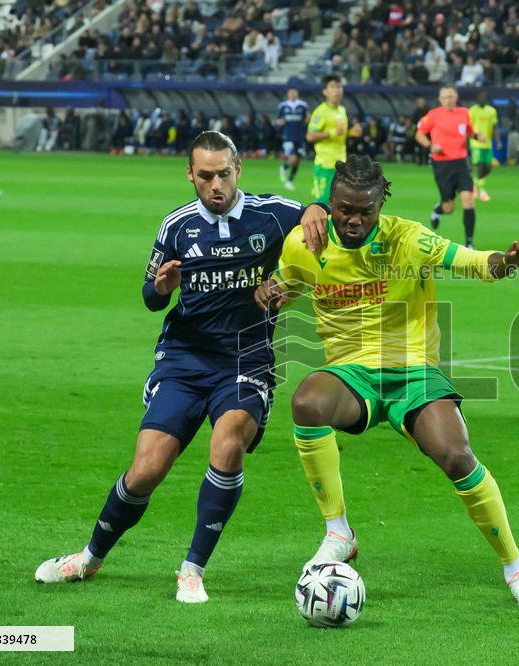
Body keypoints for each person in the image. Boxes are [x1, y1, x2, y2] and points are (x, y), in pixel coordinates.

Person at [34, 131, 330, 603]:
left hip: (246, 358)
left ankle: (192, 569)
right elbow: (150, 297)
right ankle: (90, 557)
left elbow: (321, 222)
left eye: (224, 174)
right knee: (146, 470)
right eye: (206, 176)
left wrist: (317, 209)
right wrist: (162, 287)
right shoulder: (176, 225)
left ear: (239, 170)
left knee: (227, 444)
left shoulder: (273, 214)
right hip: (184, 359)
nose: (217, 185)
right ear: (191, 175)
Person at [254, 154, 519, 609]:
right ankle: (338, 532)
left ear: (380, 205)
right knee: (308, 401)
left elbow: (474, 262)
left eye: (365, 211)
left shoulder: (408, 239)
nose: (353, 220)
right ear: (330, 202)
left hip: (413, 369)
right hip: (351, 372)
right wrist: (270, 292)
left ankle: (515, 567)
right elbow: (287, 286)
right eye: (344, 210)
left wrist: (507, 261)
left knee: (456, 456)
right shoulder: (303, 244)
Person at [415, 86, 489, 249]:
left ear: (456, 97)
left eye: (450, 96)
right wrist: (430, 145)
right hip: (442, 164)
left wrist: (478, 136)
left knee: (468, 200)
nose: (448, 100)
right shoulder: (433, 115)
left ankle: (469, 242)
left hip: (461, 162)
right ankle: (439, 209)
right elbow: (419, 134)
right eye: (444, 97)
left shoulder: (464, 113)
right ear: (440, 99)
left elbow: (469, 131)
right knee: (449, 208)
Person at [306, 74, 361, 204]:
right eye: (332, 87)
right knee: (323, 205)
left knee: (340, 205)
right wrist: (333, 132)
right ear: (325, 92)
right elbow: (310, 136)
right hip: (325, 166)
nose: (336, 90)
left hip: (341, 166)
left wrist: (352, 132)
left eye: (339, 87)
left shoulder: (342, 110)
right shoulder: (320, 112)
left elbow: (341, 134)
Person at [468, 90, 500, 202]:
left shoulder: (491, 111)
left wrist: (498, 141)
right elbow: (469, 127)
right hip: (476, 143)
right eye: (480, 97)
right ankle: (481, 191)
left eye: (484, 97)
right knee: (480, 165)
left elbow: (495, 127)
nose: (482, 99)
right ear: (477, 99)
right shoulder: (472, 111)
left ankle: (473, 184)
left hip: (487, 144)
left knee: (488, 167)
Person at [277, 87, 309, 191]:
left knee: (298, 160)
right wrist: (281, 122)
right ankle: (284, 168)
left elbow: (307, 118)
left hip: (299, 135)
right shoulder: (283, 106)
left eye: (294, 92)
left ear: (297, 93)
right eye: (291, 92)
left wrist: (308, 120)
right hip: (288, 136)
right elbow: (278, 120)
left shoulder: (303, 105)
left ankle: (289, 181)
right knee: (293, 158)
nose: (293, 94)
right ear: (288, 94)